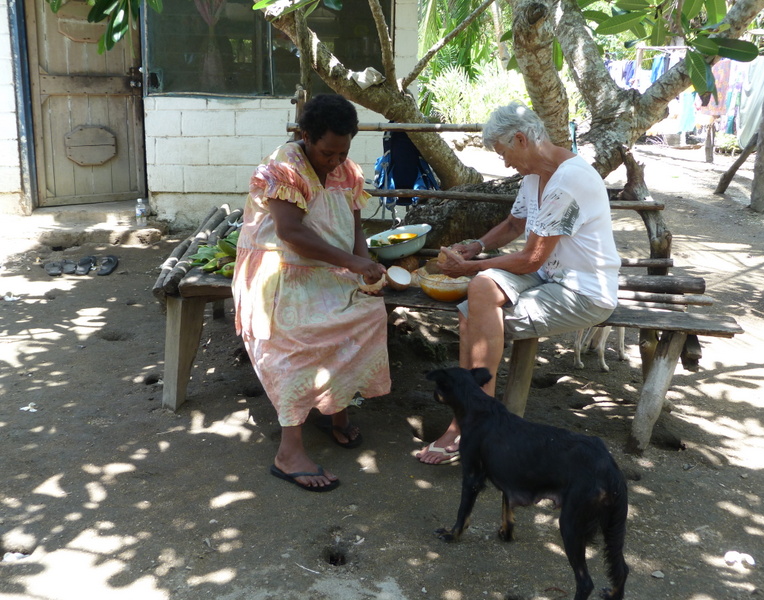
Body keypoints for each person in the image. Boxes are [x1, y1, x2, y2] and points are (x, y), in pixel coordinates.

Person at [416, 101, 621, 465]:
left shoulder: (569, 182)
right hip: (548, 277)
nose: (504, 162)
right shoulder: (533, 177)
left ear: (522, 139)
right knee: (479, 293)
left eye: (503, 152)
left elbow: (531, 258)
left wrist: (470, 267)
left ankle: (473, 423)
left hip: (584, 291)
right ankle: (472, 419)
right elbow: (513, 225)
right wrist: (477, 247)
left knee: (472, 315)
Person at [233, 94, 391, 491]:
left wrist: (365, 273)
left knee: (369, 314)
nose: (335, 161)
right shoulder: (283, 168)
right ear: (305, 136)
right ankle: (289, 451)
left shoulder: (348, 171)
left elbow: (356, 232)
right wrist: (354, 265)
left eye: (343, 152)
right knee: (297, 336)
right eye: (327, 153)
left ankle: (336, 408)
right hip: (278, 272)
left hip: (329, 270)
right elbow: (292, 233)